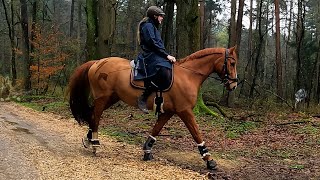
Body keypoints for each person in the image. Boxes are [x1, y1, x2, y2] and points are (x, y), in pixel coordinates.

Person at [134, 6, 176, 114]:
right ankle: (143, 97)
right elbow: (152, 43)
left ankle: (159, 101)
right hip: (150, 55)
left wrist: (166, 55)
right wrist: (166, 55)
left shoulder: (153, 26)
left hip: (156, 54)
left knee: (169, 68)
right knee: (163, 70)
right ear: (155, 16)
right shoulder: (147, 26)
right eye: (161, 16)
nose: (162, 18)